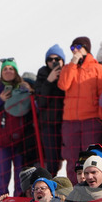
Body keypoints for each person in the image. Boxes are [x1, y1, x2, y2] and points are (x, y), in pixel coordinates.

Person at [58, 37, 102, 181]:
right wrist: (73, 63)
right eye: (72, 48)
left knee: (91, 156)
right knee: (72, 156)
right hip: (70, 120)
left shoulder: (97, 68)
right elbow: (63, 85)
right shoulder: (69, 68)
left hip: (91, 119)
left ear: (87, 48)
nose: (75, 50)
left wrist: (101, 118)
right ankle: (74, 189)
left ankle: (93, 187)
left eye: (78, 46)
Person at [0, 58, 35, 196]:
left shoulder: (23, 89)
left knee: (21, 178)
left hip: (21, 141)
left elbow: (33, 110)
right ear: (1, 73)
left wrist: (29, 92)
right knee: (1, 178)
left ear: (16, 72)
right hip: (1, 142)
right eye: (5, 69)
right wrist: (0, 100)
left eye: (11, 68)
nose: (8, 71)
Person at [35, 46, 67, 175]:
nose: (53, 62)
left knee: (72, 156)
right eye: (50, 59)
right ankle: (51, 188)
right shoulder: (42, 75)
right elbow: (41, 102)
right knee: (52, 161)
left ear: (63, 61)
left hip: (66, 121)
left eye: (57, 59)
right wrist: (49, 81)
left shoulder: (68, 73)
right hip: (49, 124)